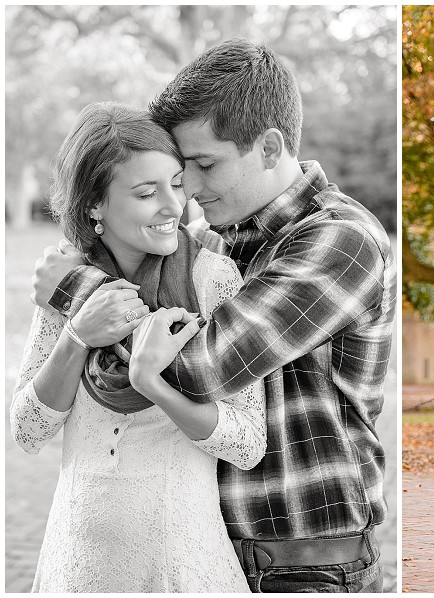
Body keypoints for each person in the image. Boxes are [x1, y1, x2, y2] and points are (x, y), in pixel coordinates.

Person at [31, 39, 395, 593]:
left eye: (204, 165)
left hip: (304, 560)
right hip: (208, 552)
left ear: (270, 148)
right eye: (183, 172)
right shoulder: (207, 245)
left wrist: (75, 289)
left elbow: (201, 365)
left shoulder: (339, 240)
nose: (190, 194)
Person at [11, 103, 267, 592]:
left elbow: (247, 441)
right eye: (147, 193)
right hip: (76, 560)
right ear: (94, 205)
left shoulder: (212, 279)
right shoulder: (66, 286)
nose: (173, 206)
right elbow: (26, 430)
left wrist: (150, 382)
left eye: (176, 184)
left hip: (179, 559)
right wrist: (78, 336)